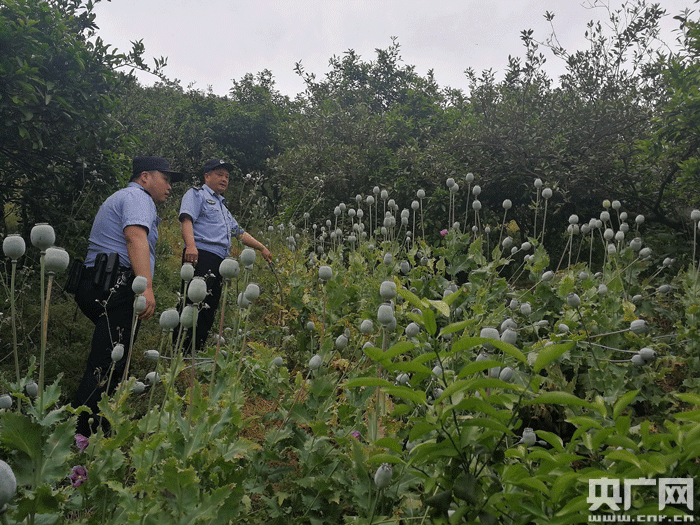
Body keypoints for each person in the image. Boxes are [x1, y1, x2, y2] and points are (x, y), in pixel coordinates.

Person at [72, 156, 184, 436]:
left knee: (110, 356)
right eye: (166, 178)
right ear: (145, 176)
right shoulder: (138, 197)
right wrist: (145, 286)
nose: (170, 187)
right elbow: (135, 237)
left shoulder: (123, 197)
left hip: (98, 281)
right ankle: (84, 433)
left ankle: (93, 424)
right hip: (117, 285)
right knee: (107, 361)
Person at [178, 158, 271, 352]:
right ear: (207, 176)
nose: (224, 179)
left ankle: (196, 351)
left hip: (219, 261)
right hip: (201, 255)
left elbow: (240, 233)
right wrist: (191, 246)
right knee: (192, 304)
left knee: (209, 306)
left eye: (227, 176)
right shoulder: (197, 195)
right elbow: (186, 219)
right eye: (219, 174)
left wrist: (261, 247)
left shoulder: (223, 207)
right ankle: (179, 350)